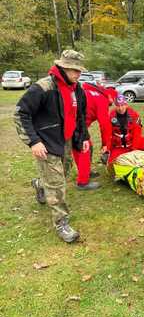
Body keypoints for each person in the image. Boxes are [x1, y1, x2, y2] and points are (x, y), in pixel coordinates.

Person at [14, 50, 90, 243]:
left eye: (79, 71)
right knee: (56, 185)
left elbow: (80, 116)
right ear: (63, 68)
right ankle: (62, 223)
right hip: (45, 142)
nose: (78, 75)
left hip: (64, 140)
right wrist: (33, 141)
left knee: (63, 173)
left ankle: (39, 184)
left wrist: (83, 138)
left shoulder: (77, 89)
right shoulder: (43, 87)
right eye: (74, 70)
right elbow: (21, 113)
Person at [72, 82, 117, 188]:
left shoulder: (91, 93)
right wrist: (105, 144)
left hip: (74, 123)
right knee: (84, 147)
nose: (111, 104)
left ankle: (84, 172)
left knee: (80, 146)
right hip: (75, 124)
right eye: (112, 101)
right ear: (110, 96)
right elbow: (104, 125)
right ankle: (83, 182)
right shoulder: (102, 99)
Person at [106, 94, 144, 163]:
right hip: (119, 146)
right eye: (118, 106)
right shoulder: (110, 116)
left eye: (122, 105)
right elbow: (108, 135)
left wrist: (134, 149)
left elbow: (137, 134)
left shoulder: (134, 115)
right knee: (113, 162)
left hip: (132, 143)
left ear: (126, 105)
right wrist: (107, 149)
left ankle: (142, 155)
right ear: (115, 106)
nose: (120, 108)